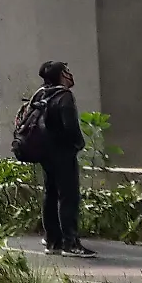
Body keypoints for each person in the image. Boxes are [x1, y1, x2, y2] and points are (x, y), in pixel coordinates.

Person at [32, 60, 95, 258]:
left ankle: (53, 241)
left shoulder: (42, 94)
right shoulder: (64, 96)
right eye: (66, 71)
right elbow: (71, 128)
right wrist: (78, 145)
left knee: (50, 194)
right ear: (61, 75)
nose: (70, 74)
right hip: (63, 154)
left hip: (45, 153)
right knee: (69, 197)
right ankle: (71, 242)